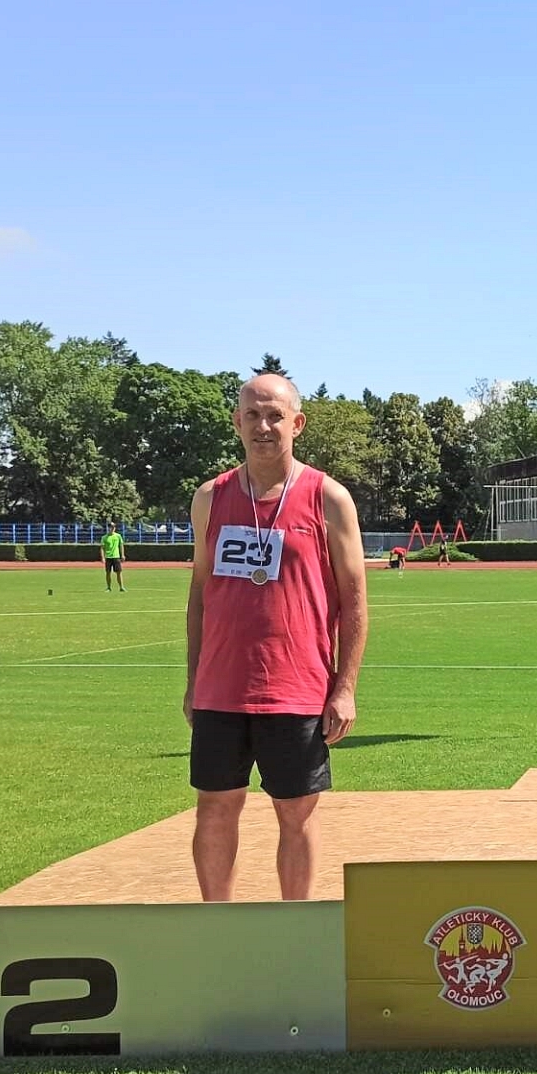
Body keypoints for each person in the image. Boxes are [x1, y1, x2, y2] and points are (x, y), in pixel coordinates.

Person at [184, 373, 368, 902]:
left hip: (297, 689)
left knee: (296, 813)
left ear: (297, 423)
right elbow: (200, 594)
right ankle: (217, 922)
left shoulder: (328, 498)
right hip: (221, 689)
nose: (263, 426)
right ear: (237, 422)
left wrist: (345, 687)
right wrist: (193, 680)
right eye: (252, 415)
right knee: (215, 808)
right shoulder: (210, 498)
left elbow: (354, 600)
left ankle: (296, 925)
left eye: (275, 416)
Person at [100, 524, 126, 592]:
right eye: (111, 527)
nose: (112, 528)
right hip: (108, 557)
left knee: (119, 572)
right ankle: (108, 587)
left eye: (113, 527)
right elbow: (102, 548)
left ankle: (121, 587)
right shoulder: (104, 537)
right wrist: (103, 557)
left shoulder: (118, 536)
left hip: (116, 556)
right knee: (108, 573)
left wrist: (122, 555)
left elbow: (121, 546)